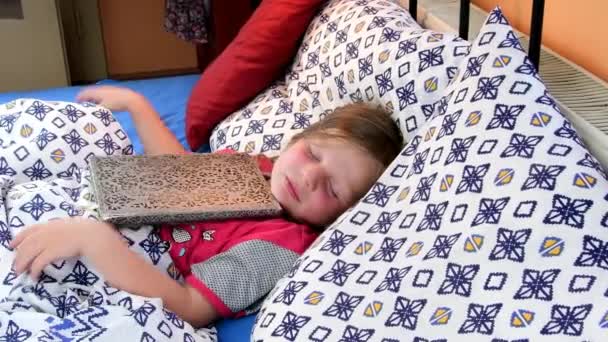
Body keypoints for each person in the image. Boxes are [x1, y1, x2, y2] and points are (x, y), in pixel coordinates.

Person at [8, 86, 404, 328]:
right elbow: (181, 175)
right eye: (313, 153)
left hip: (132, 261)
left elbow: (190, 307)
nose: (309, 176)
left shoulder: (280, 246)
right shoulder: (258, 169)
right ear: (298, 138)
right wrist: (137, 105)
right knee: (59, 130)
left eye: (332, 189)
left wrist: (92, 240)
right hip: (121, 205)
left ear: (341, 216)